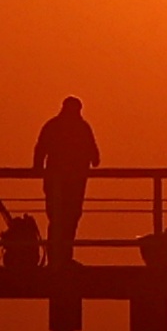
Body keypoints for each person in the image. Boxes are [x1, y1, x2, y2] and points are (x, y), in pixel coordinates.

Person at [33, 96, 101, 265]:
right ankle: (60, 258)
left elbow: (40, 151)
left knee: (60, 219)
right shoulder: (82, 127)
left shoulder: (53, 126)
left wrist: (38, 169)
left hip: (62, 182)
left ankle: (59, 258)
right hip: (73, 183)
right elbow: (96, 158)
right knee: (65, 219)